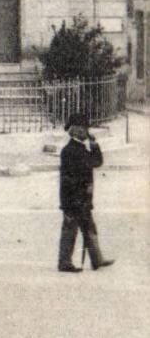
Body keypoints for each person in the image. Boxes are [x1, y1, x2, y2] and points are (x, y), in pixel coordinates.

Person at [58, 112, 114, 272]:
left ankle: (97, 259)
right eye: (84, 128)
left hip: (82, 198)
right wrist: (76, 200)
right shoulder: (70, 150)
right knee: (70, 230)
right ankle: (64, 263)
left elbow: (96, 162)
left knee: (89, 228)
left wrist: (94, 145)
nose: (87, 132)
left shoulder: (81, 148)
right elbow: (69, 180)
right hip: (73, 199)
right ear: (76, 130)